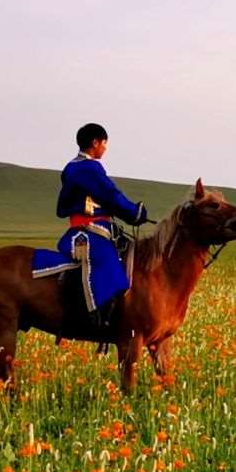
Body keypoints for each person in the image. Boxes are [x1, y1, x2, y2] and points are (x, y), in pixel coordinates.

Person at [56, 122, 146, 338]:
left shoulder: (74, 167)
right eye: (104, 143)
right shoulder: (87, 168)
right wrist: (135, 213)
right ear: (95, 142)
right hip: (89, 230)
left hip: (96, 226)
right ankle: (95, 315)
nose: (105, 148)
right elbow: (110, 194)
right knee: (108, 262)